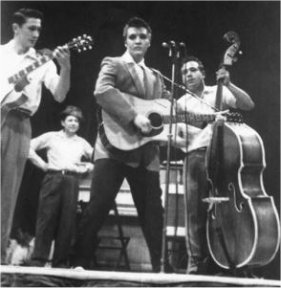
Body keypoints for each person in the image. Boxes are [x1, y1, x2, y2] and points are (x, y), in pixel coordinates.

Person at [72, 17, 170, 272]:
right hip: (112, 148)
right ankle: (78, 264)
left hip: (146, 154)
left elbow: (168, 109)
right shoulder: (113, 63)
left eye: (142, 36)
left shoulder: (157, 77)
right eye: (132, 36)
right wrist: (133, 116)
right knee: (97, 207)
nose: (137, 40)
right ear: (125, 40)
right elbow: (102, 91)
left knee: (153, 215)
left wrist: (196, 118)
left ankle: (161, 270)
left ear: (149, 41)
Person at [0, 8, 71, 264]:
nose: (36, 34)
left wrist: (66, 67)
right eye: (31, 28)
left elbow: (60, 94)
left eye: (39, 29)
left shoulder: (42, 60)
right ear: (16, 28)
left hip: (18, 124)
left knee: (7, 193)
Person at [176, 56, 255, 274]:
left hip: (225, 157)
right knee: (194, 213)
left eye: (193, 70)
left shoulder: (217, 91)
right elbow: (180, 138)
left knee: (226, 211)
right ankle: (195, 265)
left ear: (203, 73)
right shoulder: (181, 103)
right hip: (195, 157)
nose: (189, 74)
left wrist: (229, 84)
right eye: (185, 72)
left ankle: (228, 259)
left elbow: (248, 104)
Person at [28, 105, 94, 267]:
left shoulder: (82, 142)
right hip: (53, 178)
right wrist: (42, 164)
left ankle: (60, 261)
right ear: (63, 122)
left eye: (77, 121)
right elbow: (28, 146)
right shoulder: (51, 137)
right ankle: (38, 259)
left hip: (71, 181)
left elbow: (97, 159)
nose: (73, 123)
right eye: (70, 120)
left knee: (67, 222)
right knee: (46, 218)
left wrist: (87, 167)